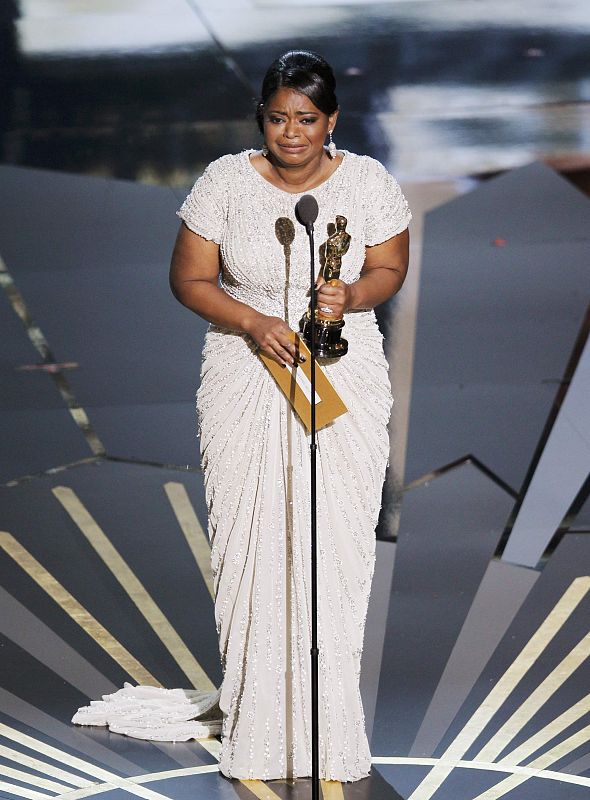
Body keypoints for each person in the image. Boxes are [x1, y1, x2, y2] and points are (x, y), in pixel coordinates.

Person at [73, 49, 411, 783]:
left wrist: (350, 297)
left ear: (332, 122)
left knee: (337, 550)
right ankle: (261, 724)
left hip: (341, 376)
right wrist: (255, 321)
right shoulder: (225, 181)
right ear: (262, 116)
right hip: (246, 374)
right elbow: (188, 278)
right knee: (252, 542)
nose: (293, 133)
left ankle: (329, 726)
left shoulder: (368, 183)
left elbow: (388, 267)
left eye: (308, 120)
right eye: (279, 118)